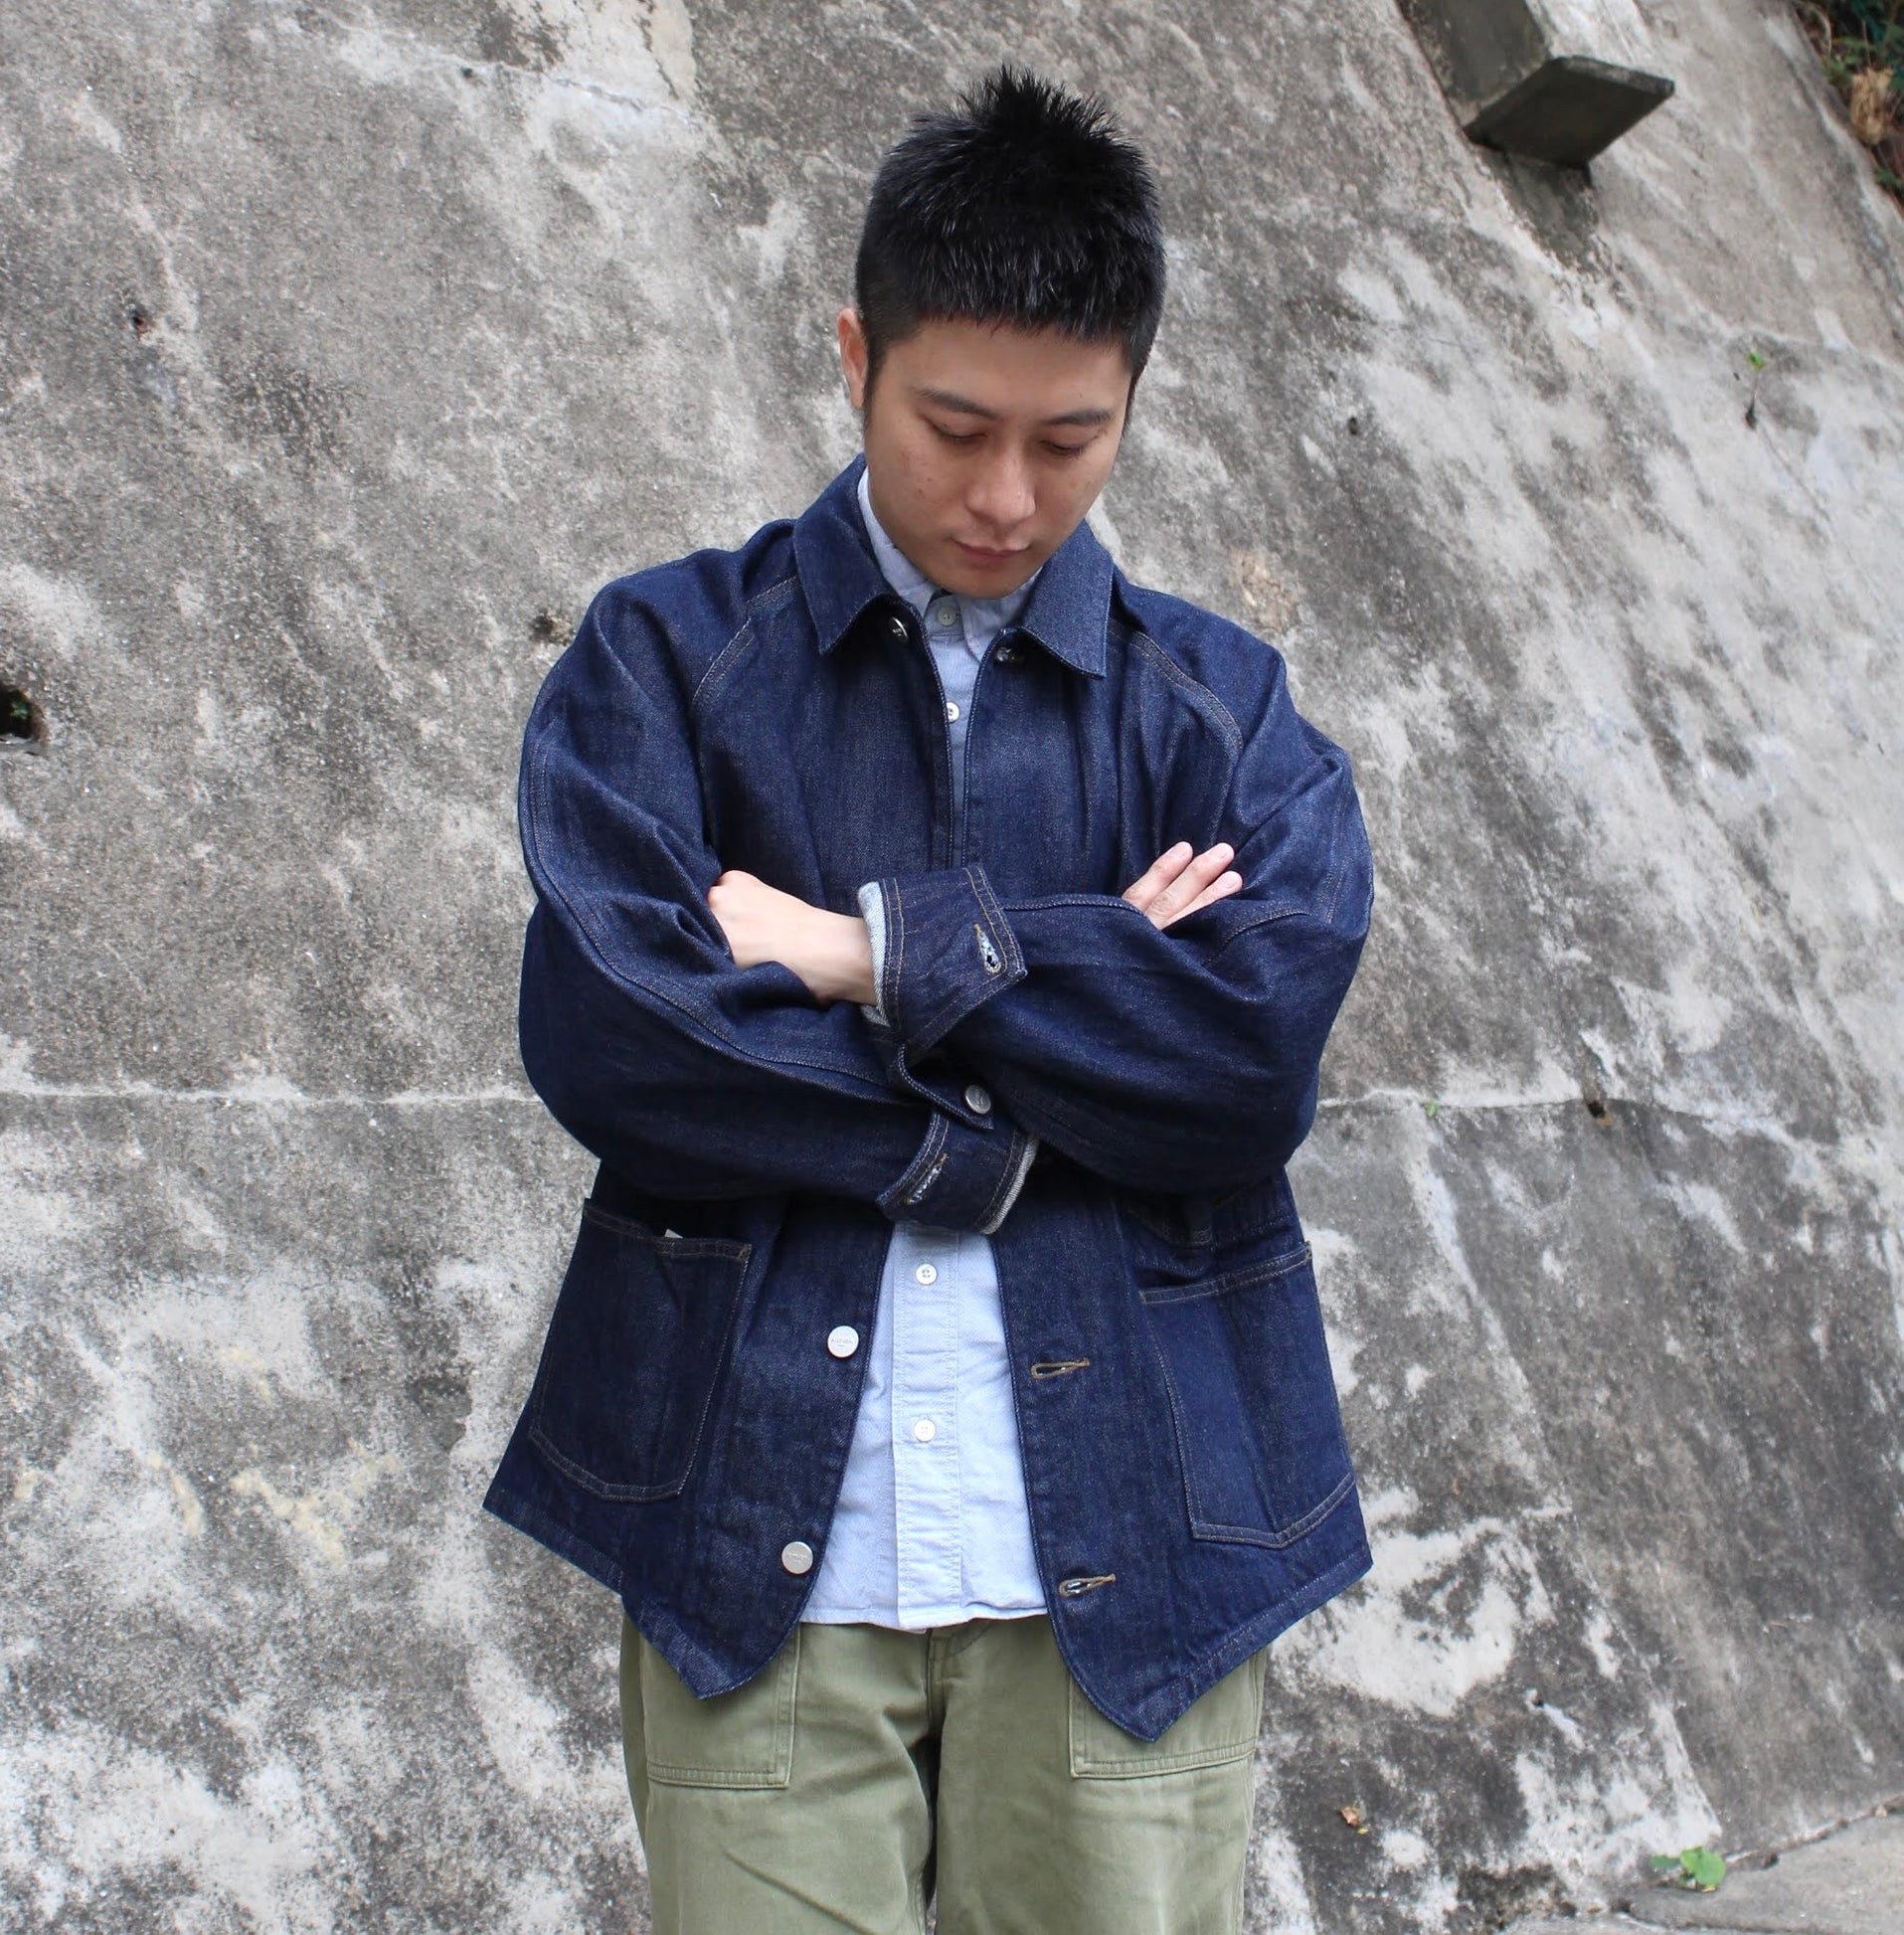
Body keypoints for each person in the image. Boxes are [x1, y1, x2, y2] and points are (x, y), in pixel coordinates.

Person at [486, 66, 1374, 1935]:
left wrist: (860, 951)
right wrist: (1074, 1002)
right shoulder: (665, 659)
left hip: (1140, 1545)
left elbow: (1242, 1060)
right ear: (853, 356)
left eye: (1069, 440)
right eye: (954, 425)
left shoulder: (1217, 707)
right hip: (757, 1544)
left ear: (1131, 399)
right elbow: (618, 1041)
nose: (1004, 496)